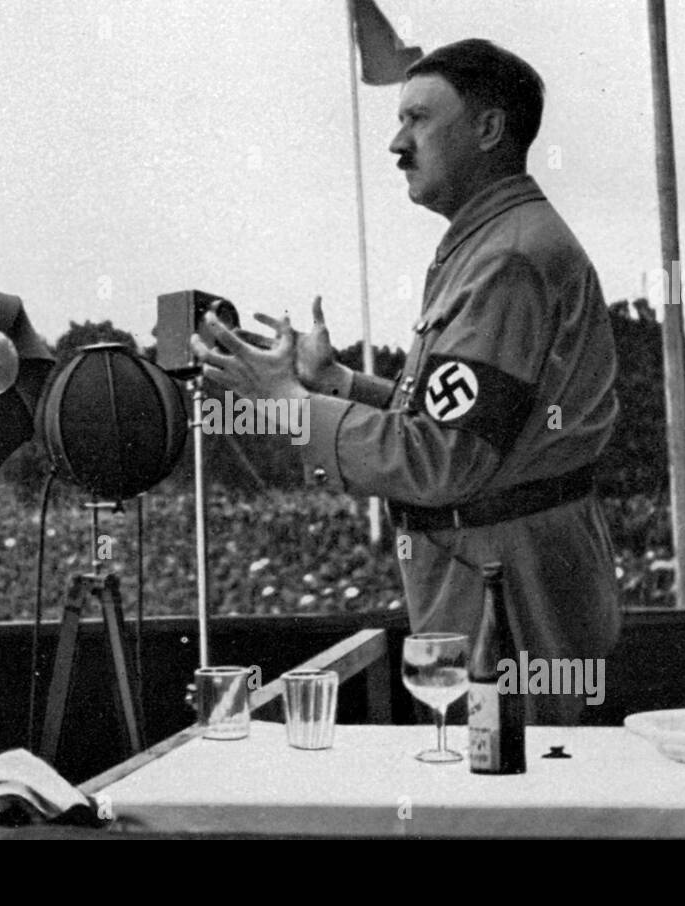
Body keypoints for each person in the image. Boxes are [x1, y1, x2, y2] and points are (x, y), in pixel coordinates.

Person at [192, 38, 621, 724]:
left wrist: (290, 406)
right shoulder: (492, 245)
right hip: (502, 575)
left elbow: (443, 460)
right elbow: (465, 428)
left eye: (418, 119)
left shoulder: (507, 259)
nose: (396, 143)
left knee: (510, 793)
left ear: (487, 129)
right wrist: (334, 383)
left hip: (508, 592)